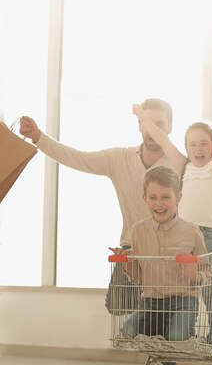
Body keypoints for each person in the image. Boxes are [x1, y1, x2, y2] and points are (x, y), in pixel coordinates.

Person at [19, 100, 173, 312]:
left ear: (170, 128)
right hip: (133, 247)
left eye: (159, 124)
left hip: (169, 250)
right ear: (139, 126)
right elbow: (78, 158)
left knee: (166, 312)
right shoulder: (119, 158)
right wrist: (39, 137)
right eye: (147, 123)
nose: (153, 130)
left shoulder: (179, 163)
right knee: (118, 306)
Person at [132, 86, 212, 350]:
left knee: (211, 289)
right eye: (192, 144)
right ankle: (185, 332)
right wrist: (142, 117)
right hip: (184, 235)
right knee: (183, 287)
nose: (198, 148)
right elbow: (161, 137)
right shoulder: (183, 166)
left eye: (204, 143)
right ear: (186, 148)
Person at [112, 166, 212, 365]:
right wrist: (126, 262)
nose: (160, 203)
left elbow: (208, 269)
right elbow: (137, 277)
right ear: (144, 199)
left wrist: (194, 275)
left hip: (182, 300)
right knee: (126, 333)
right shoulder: (138, 231)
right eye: (154, 197)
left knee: (175, 337)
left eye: (166, 197)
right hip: (152, 300)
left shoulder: (191, 231)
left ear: (178, 197)